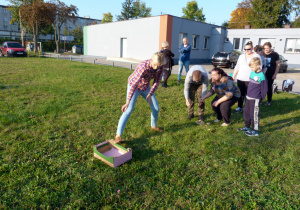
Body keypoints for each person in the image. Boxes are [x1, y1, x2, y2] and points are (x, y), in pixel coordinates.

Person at [115, 52, 165, 143]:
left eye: (158, 66)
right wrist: (127, 102)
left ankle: (153, 126)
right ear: (151, 60)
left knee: (156, 108)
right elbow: (134, 84)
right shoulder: (143, 66)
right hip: (135, 86)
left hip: (145, 87)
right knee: (129, 109)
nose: (155, 68)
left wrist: (150, 94)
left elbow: (157, 81)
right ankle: (118, 136)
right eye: (154, 65)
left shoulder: (160, 67)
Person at [238, 57, 268, 136]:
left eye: (252, 67)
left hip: (255, 98)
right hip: (248, 97)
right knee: (246, 113)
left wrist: (262, 98)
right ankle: (247, 127)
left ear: (258, 65)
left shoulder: (262, 75)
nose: (251, 68)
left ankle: (255, 131)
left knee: (254, 114)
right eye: (250, 67)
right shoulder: (252, 73)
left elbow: (264, 88)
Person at [232, 41, 261, 113]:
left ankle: (248, 108)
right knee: (240, 93)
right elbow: (237, 67)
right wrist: (233, 76)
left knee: (249, 95)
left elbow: (259, 68)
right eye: (245, 49)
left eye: (248, 49)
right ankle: (239, 107)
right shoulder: (241, 56)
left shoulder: (256, 56)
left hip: (251, 79)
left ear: (252, 48)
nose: (246, 51)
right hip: (240, 78)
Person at [263, 42, 280, 106]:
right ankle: (260, 100)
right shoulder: (262, 54)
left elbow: (278, 65)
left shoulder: (274, 54)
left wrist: (275, 74)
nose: (266, 49)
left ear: (270, 47)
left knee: (268, 87)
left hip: (270, 74)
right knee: (261, 87)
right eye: (264, 48)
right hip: (262, 74)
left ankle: (269, 101)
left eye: (267, 48)